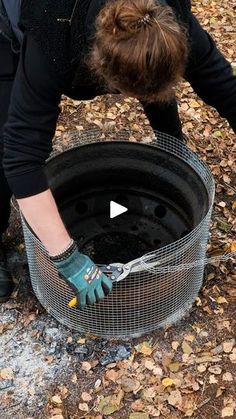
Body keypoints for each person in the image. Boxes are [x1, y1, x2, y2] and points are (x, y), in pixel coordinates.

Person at [0, 0, 235, 305]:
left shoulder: (172, 18)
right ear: (98, 69)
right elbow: (21, 159)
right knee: (4, 139)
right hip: (18, 15)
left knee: (149, 76)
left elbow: (226, 90)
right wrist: (67, 258)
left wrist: (173, 149)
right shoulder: (53, 39)